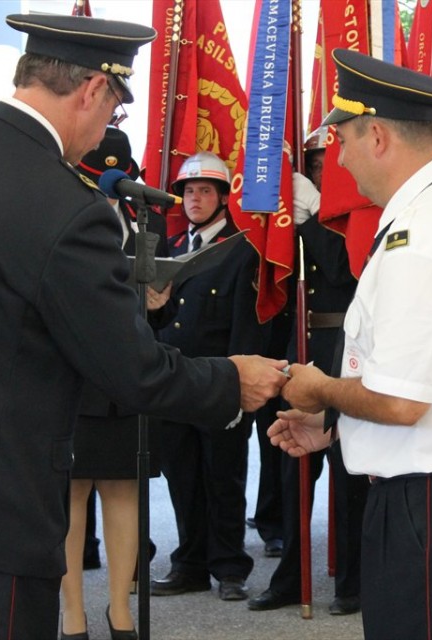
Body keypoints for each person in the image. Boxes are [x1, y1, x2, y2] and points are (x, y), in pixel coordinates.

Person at [0, 14, 286, 639]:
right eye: (113, 109)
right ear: (92, 89)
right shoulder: (66, 204)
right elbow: (132, 370)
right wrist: (232, 380)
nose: (104, 130)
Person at [268, 49, 432, 639]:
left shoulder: (426, 231)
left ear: (378, 136)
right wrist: (338, 427)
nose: (339, 159)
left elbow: (401, 401)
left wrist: (320, 390)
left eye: (342, 141)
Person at [248, 127, 366, 616]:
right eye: (312, 164)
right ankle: (292, 577)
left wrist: (313, 216)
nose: (319, 171)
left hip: (342, 347)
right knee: (294, 467)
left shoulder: (357, 212)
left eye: (325, 163)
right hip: (301, 343)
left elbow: (341, 267)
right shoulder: (297, 211)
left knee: (346, 469)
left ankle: (353, 582)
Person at [60, 126, 171, 639]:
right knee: (72, 493)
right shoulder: (63, 208)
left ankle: (120, 609)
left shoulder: (139, 215)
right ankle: (73, 613)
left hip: (125, 367)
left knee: (124, 490)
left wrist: (157, 298)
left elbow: (158, 292)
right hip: (75, 369)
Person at [150, 151, 263, 602]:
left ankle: (230, 566)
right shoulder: (173, 248)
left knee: (223, 478)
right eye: (189, 191)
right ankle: (190, 564)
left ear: (222, 198)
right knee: (183, 478)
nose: (194, 199)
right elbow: (159, 323)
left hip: (221, 382)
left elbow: (245, 325)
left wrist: (239, 388)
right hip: (177, 382)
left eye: (204, 191)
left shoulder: (240, 250)